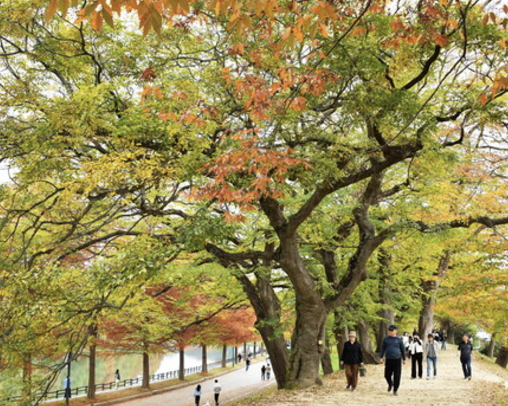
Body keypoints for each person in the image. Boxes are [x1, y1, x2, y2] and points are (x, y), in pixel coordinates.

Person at [380, 324, 406, 396]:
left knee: (397, 375)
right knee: (387, 375)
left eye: (392, 331)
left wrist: (404, 359)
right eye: (389, 331)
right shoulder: (386, 339)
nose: (390, 332)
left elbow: (402, 349)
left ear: (395, 331)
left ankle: (395, 390)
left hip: (397, 359)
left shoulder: (399, 340)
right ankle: (390, 384)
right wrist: (381, 357)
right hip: (388, 359)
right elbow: (382, 349)